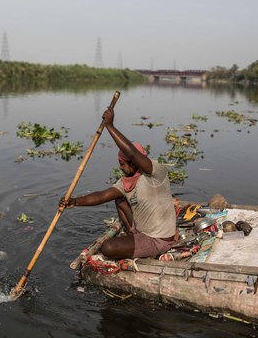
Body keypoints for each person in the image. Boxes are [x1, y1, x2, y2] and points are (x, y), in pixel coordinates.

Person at [60, 106, 177, 259]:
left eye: (122, 164)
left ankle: (139, 243)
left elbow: (131, 152)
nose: (120, 167)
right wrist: (74, 202)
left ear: (133, 163)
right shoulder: (126, 182)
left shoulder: (156, 173)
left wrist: (109, 126)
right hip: (143, 231)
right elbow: (102, 196)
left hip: (158, 239)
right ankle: (132, 233)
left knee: (107, 247)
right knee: (120, 198)